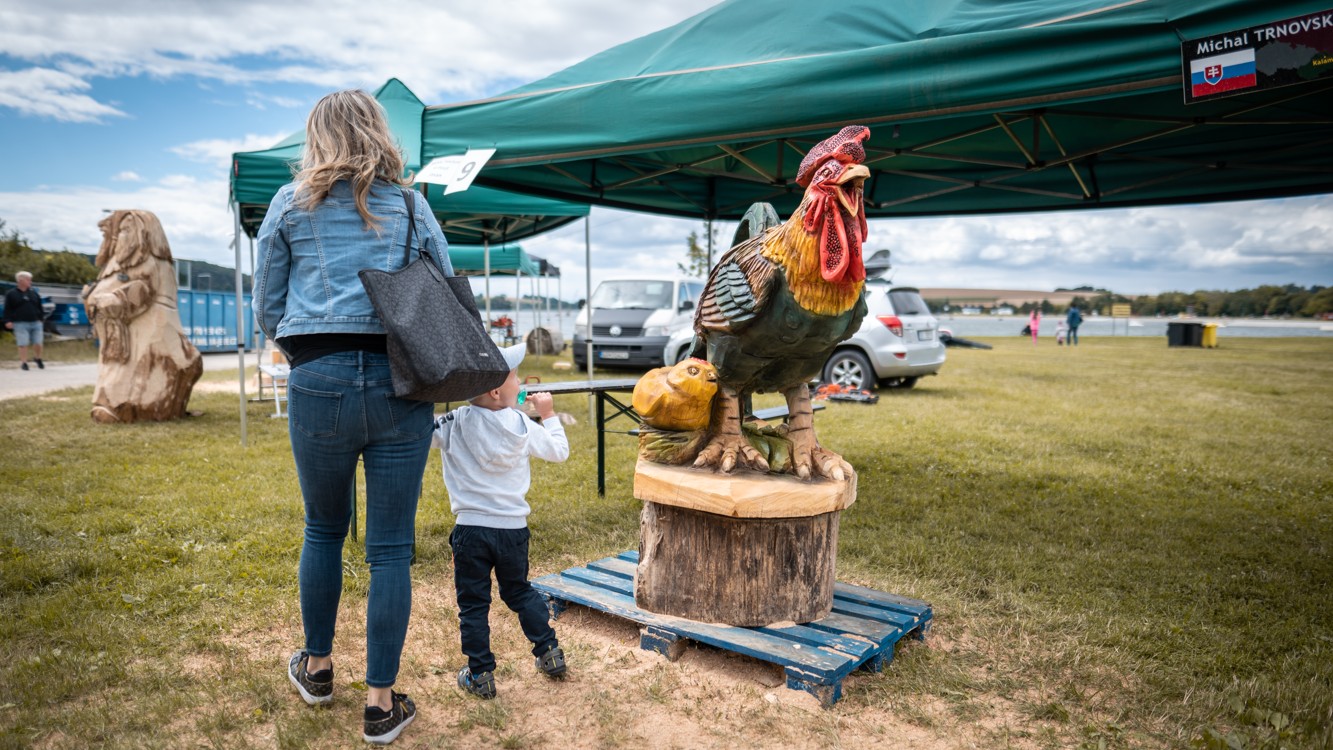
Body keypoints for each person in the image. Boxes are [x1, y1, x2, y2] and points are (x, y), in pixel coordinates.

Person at [253, 89, 452, 745]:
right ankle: (380, 703)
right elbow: (443, 290)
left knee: (323, 529)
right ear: (378, 133)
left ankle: (315, 669)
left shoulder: (290, 204)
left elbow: (266, 306)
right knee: (390, 547)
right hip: (401, 384)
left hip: (318, 379)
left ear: (315, 137)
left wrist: (307, 356)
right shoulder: (411, 205)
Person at [432, 344, 570, 700]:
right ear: (497, 391)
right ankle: (549, 651)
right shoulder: (523, 423)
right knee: (519, 591)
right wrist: (549, 414)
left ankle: (480, 674)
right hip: (512, 531)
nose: (521, 382)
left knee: (474, 604)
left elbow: (420, 433)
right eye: (515, 377)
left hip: (470, 530)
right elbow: (560, 451)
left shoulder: (455, 421)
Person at [4, 271, 45, 370]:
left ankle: (37, 358)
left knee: (38, 342)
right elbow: (7, 308)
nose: (30, 281)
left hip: (36, 322)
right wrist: (7, 321)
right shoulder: (11, 294)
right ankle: (24, 362)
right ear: (20, 280)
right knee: (23, 343)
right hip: (20, 323)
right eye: (28, 279)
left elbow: (39, 307)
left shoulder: (34, 293)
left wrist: (41, 319)